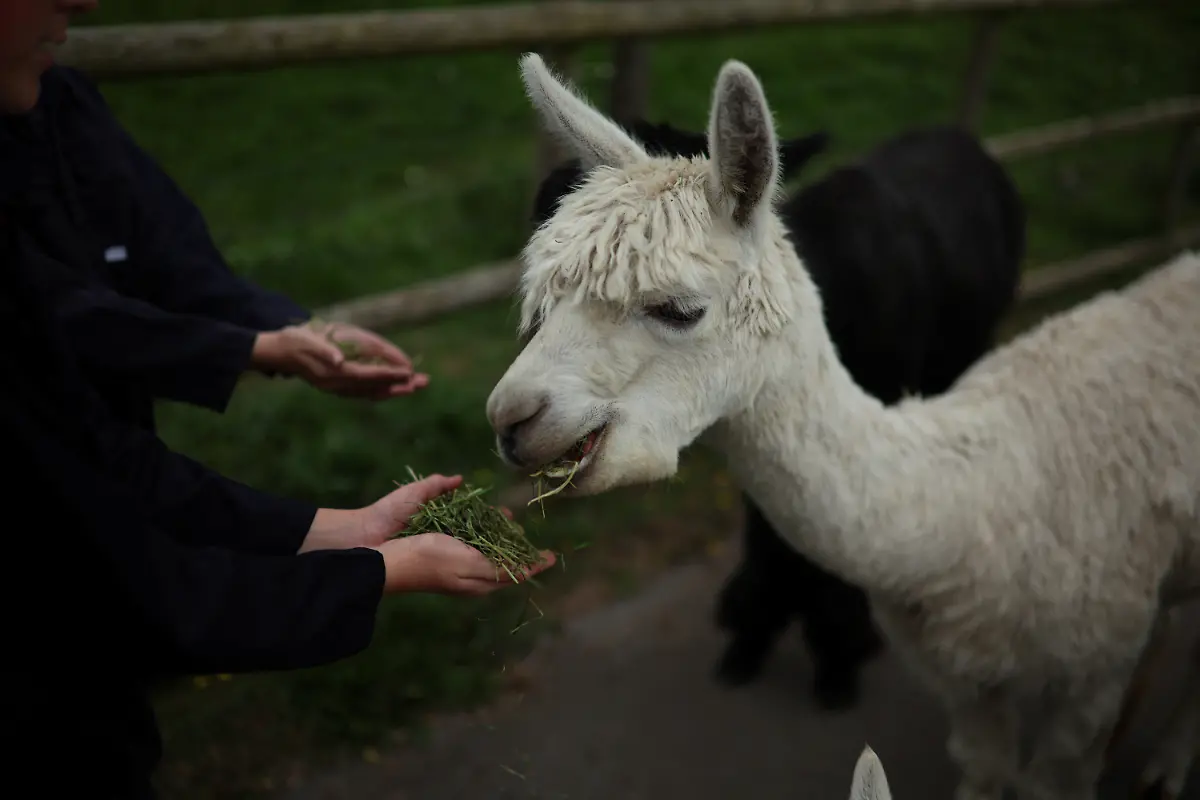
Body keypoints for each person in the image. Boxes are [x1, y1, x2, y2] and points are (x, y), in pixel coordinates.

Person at [0, 1, 556, 794]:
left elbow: (106, 462)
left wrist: (344, 527)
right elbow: (148, 589)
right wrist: (383, 568)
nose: (82, 6)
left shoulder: (58, 104)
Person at [4, 0, 427, 438]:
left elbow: (173, 259)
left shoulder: (64, 105)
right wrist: (253, 348)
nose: (85, 4)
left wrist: (301, 330)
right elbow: (57, 313)